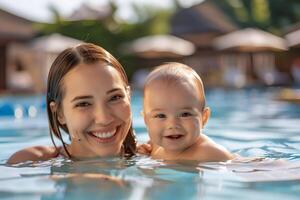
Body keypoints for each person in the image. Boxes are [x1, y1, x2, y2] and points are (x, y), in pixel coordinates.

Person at [7, 43, 137, 164]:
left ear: (129, 97)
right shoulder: (29, 163)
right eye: (84, 104)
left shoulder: (153, 156)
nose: (104, 119)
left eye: (115, 97)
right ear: (59, 113)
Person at [139, 62, 233, 162]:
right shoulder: (153, 146)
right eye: (161, 115)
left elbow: (239, 167)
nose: (173, 124)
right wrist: (142, 153)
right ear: (146, 120)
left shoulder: (210, 153)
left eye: (185, 114)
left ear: (204, 118)